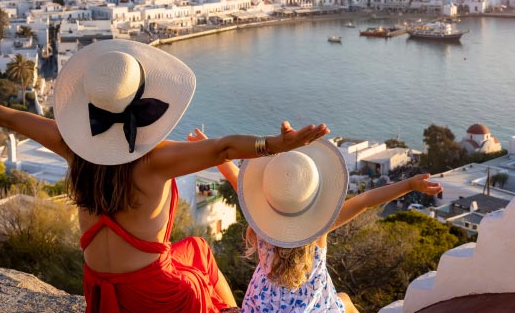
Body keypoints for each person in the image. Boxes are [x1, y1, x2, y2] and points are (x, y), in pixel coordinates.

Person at [0, 39, 330, 313]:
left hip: (100, 287)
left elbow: (3, 116)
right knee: (197, 255)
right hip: (155, 296)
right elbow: (224, 148)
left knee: (191, 247)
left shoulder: (71, 145)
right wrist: (275, 145)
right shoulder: (156, 158)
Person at [186, 129, 442, 313]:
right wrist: (409, 184)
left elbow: (233, 174)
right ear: (314, 204)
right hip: (313, 308)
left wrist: (207, 147)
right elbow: (366, 201)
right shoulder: (319, 229)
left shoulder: (262, 227)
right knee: (344, 300)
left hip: (260, 307)